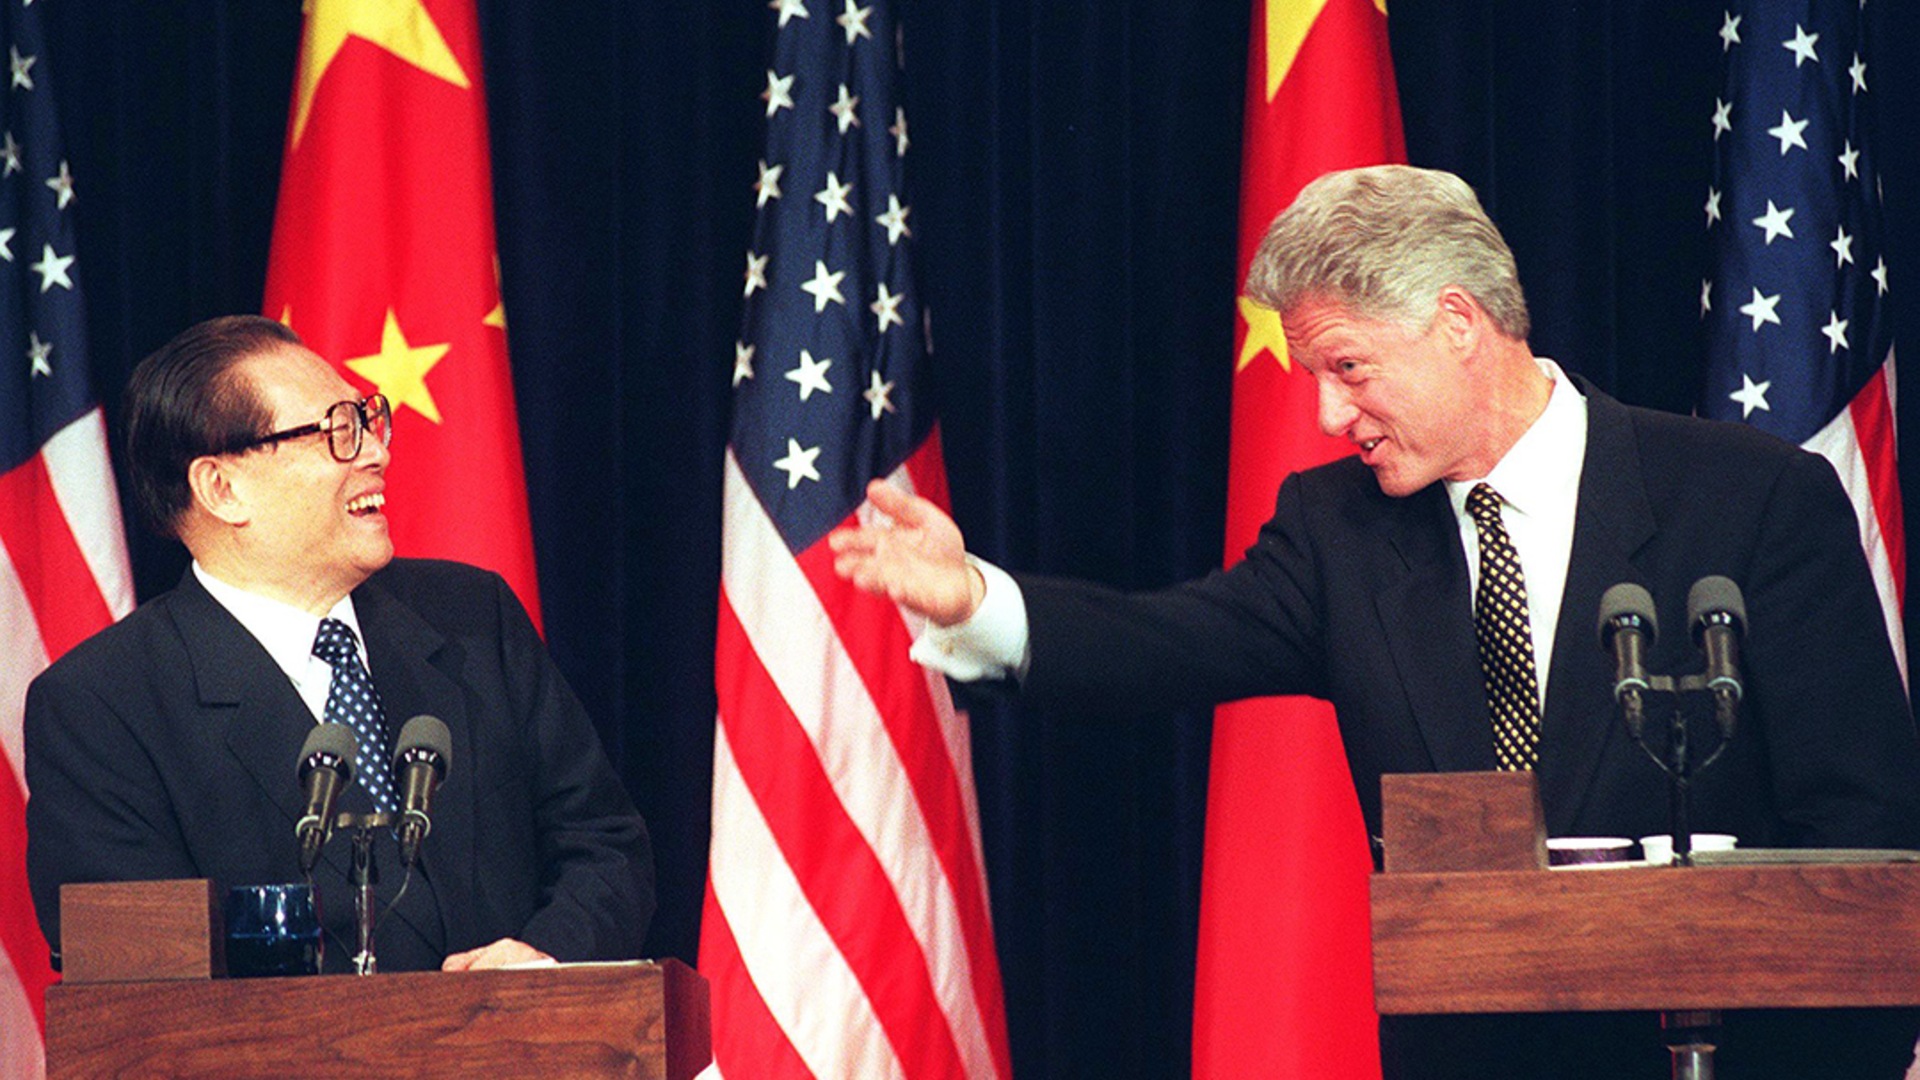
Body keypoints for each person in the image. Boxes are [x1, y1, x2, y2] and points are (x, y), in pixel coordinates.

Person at [830, 165, 1920, 1078]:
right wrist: (979, 601)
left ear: (1457, 322)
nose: (1326, 413)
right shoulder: (1338, 530)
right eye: (1314, 375)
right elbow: (1171, 641)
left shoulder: (1748, 500)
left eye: (1349, 368)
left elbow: (1864, 830)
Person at [25, 315, 653, 974]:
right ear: (222, 488)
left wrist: (543, 960)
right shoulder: (103, 706)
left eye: (366, 420)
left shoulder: (472, 617)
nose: (376, 453)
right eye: (336, 433)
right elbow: (142, 984)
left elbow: (603, 843)